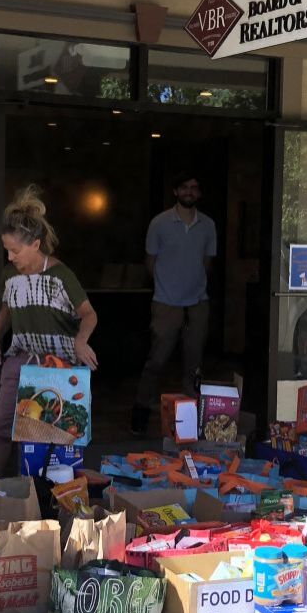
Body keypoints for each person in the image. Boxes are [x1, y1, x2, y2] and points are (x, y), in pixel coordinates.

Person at [0, 186, 98, 477]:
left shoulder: (62, 276)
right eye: (6, 250)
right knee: (1, 427)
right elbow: (8, 309)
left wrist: (81, 341)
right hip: (21, 360)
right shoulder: (10, 275)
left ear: (36, 245)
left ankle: (56, 496)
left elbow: (88, 314)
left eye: (15, 250)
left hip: (59, 365)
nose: (10, 257)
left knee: (58, 432)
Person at [131, 173, 217, 435]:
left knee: (193, 365)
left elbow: (207, 263)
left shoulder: (208, 225)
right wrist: (166, 285)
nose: (189, 192)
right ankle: (141, 414)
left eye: (194, 187)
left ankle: (190, 424)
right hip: (166, 302)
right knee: (156, 361)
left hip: (197, 303)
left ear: (199, 194)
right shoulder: (159, 223)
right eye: (185, 187)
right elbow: (150, 262)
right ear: (176, 191)